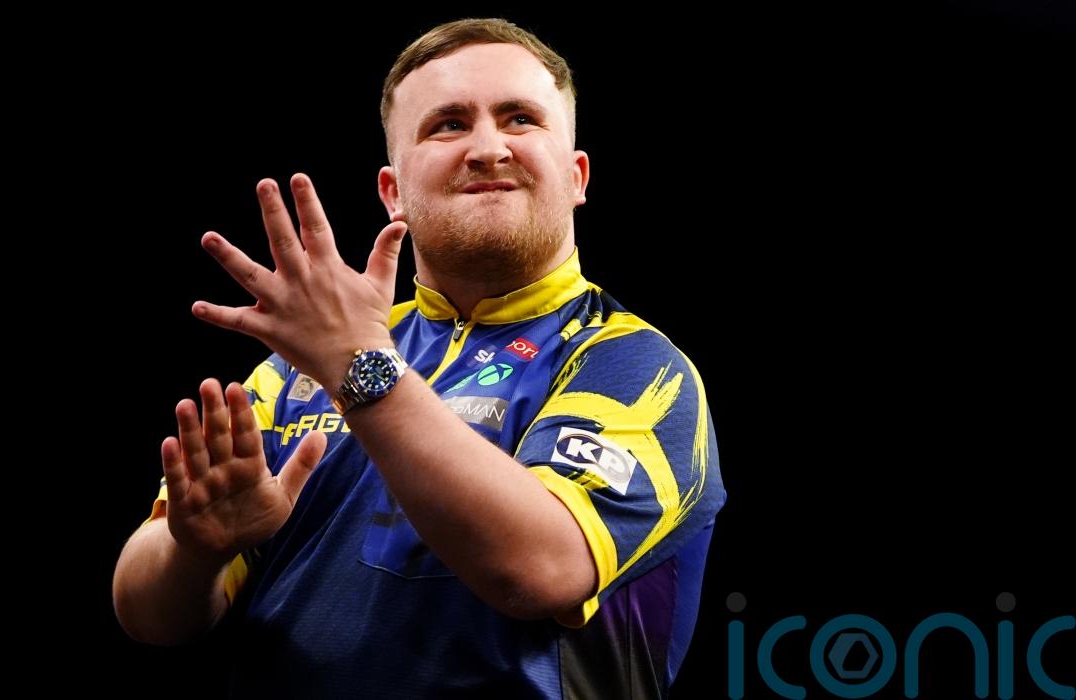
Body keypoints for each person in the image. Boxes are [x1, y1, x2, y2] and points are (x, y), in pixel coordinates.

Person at [113, 18, 725, 698]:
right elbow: (146, 614)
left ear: (577, 175)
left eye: (521, 119)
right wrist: (196, 552)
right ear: (392, 192)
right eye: (448, 125)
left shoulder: (636, 366)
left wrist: (358, 364)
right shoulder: (296, 368)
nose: (487, 148)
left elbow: (540, 569)